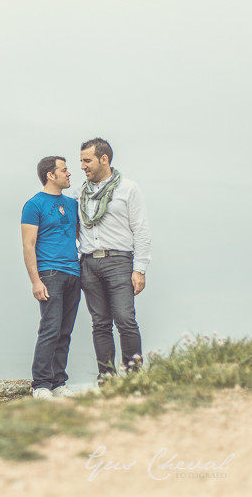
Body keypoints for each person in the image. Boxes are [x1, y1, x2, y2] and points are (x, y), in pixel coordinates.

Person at [75, 137, 151, 381]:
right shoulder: (79, 194)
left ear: (104, 159)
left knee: (125, 320)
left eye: (87, 161)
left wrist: (140, 269)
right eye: (81, 161)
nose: (82, 166)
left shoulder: (128, 189)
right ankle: (106, 378)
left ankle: (133, 377)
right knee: (100, 323)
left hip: (119, 261)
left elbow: (141, 229)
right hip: (88, 263)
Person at [21, 156, 81, 398]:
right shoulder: (33, 205)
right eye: (64, 170)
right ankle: (41, 384)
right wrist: (36, 280)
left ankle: (58, 383)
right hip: (49, 273)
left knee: (65, 330)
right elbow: (28, 245)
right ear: (50, 175)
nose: (69, 174)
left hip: (73, 272)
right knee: (50, 328)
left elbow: (77, 235)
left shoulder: (72, 203)